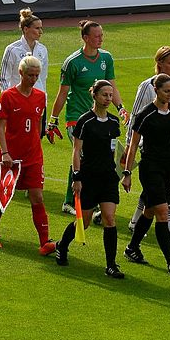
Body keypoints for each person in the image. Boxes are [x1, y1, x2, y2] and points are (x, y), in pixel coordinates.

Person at [48, 20, 127, 215]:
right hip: (76, 118)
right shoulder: (72, 62)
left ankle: (96, 199)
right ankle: (71, 201)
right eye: (97, 35)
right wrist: (53, 120)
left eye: (102, 35)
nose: (101, 38)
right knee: (82, 155)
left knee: (108, 156)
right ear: (85, 38)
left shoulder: (106, 58)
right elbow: (62, 93)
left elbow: (112, 87)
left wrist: (121, 107)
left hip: (98, 118)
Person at [56, 79, 124, 279]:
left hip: (108, 178)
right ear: (94, 95)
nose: (108, 99)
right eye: (105, 95)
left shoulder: (113, 122)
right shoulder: (85, 121)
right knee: (83, 222)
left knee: (109, 219)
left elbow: (115, 150)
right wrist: (76, 177)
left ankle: (111, 265)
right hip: (89, 177)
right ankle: (62, 245)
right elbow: (76, 151)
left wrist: (124, 171)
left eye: (111, 96)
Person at [121, 74, 170, 276]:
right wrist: (127, 173)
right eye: (166, 91)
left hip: (168, 166)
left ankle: (132, 248)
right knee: (162, 211)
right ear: (156, 90)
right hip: (150, 167)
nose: (169, 94)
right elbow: (133, 146)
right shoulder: (145, 115)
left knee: (149, 210)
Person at [125, 46, 170, 243]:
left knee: (153, 193)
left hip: (168, 149)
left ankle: (134, 224)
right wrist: (129, 147)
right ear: (159, 63)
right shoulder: (147, 86)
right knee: (162, 196)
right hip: (149, 149)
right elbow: (136, 116)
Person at [0, 56, 54, 255]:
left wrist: (42, 136)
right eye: (29, 75)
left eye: (36, 75)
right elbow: (1, 127)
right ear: (21, 73)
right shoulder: (8, 96)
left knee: (37, 196)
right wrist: (5, 152)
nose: (33, 79)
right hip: (11, 156)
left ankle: (44, 242)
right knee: (4, 195)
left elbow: (38, 123)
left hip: (33, 156)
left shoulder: (40, 96)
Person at [0, 8, 49, 92]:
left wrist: (44, 98)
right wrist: (7, 98)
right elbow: (4, 78)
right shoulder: (12, 50)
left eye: (41, 28)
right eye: (37, 28)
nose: (41, 32)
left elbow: (43, 77)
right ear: (26, 29)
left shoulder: (42, 49)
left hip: (36, 98)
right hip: (17, 98)